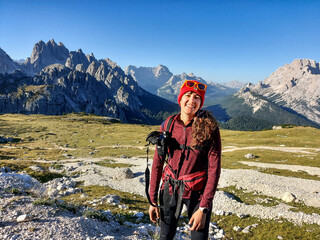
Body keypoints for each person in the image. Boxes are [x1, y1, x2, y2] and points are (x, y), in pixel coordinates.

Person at [148, 80, 221, 240]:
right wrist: (153, 199)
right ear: (180, 99)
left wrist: (203, 208)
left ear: (200, 103)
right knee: (165, 236)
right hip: (169, 189)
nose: (192, 101)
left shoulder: (210, 128)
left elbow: (214, 169)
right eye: (188, 95)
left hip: (197, 194)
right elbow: (157, 163)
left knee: (199, 237)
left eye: (197, 97)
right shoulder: (168, 125)